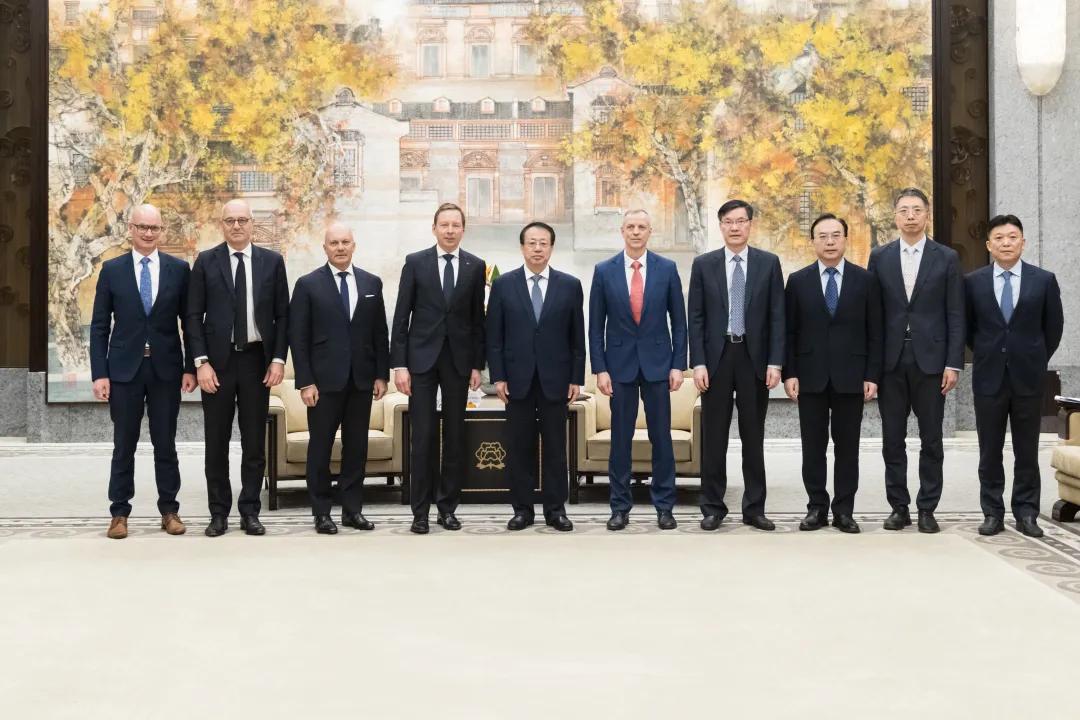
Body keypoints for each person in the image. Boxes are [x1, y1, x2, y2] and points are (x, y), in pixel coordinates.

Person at [89, 203, 197, 539]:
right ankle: (119, 513)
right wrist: (99, 373)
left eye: (154, 228)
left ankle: (170, 511)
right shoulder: (112, 270)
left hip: (166, 371)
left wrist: (190, 367)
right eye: (142, 227)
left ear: (161, 230)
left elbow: (189, 323)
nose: (148, 233)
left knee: (166, 444)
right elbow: (99, 326)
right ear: (131, 229)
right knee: (124, 445)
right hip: (124, 372)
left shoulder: (179, 269)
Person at [186, 199, 289, 537]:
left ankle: (250, 511)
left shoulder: (272, 262)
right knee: (215, 443)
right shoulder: (206, 261)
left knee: (254, 443)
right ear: (222, 224)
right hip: (217, 365)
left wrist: (278, 359)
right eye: (230, 220)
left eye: (242, 220)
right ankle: (218, 513)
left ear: (251, 223)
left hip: (256, 362)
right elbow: (192, 317)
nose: (237, 226)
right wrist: (200, 362)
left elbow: (283, 315)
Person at [867, 188, 964, 533]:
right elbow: (873, 315)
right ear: (895, 216)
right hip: (891, 361)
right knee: (892, 440)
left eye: (917, 210)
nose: (910, 216)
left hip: (932, 362)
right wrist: (871, 369)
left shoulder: (946, 257)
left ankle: (927, 508)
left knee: (931, 439)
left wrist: (953, 363)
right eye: (904, 210)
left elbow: (956, 313)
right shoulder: (880, 257)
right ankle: (899, 507)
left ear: (927, 215)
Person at [687, 199, 785, 532]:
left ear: (750, 225)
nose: (735, 227)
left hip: (753, 359)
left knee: (753, 437)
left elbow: (777, 316)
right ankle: (712, 508)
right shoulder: (704, 265)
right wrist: (698, 362)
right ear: (720, 226)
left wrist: (775, 362)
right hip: (716, 359)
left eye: (741, 221)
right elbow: (695, 317)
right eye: (728, 221)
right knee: (714, 437)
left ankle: (754, 508)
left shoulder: (768, 264)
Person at [782, 214, 882, 534]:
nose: (829, 242)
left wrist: (872, 375)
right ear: (812, 241)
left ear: (845, 239)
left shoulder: (865, 280)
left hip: (851, 376)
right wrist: (789, 373)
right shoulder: (798, 281)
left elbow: (875, 332)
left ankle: (844, 510)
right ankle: (816, 507)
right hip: (809, 376)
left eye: (835, 235)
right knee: (813, 447)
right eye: (822, 236)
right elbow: (789, 332)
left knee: (847, 448)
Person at [965, 214, 1063, 537]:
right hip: (989, 377)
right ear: (988, 245)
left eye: (1012, 237)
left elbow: (1053, 328)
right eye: (999, 238)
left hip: (1028, 378)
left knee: (1027, 450)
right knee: (989, 451)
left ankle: (1026, 513)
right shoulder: (973, 282)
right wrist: (989, 353)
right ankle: (992, 512)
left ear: (1023, 242)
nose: (1006, 243)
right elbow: (968, 329)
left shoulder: (1043, 280)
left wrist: (1034, 357)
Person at [588, 209, 687, 531]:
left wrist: (678, 365)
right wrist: (600, 369)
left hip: (658, 365)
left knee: (662, 439)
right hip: (619, 367)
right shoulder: (604, 271)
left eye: (641, 227)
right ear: (622, 231)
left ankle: (664, 507)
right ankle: (619, 507)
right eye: (630, 226)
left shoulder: (667, 268)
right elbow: (595, 327)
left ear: (649, 232)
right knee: (620, 440)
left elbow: (680, 323)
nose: (635, 232)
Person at [391, 203, 486, 534]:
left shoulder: (476, 266)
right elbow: (401, 316)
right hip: (421, 361)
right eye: (444, 224)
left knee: (455, 436)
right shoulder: (415, 262)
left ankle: (447, 508)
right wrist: (399, 364)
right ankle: (420, 512)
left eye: (455, 225)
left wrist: (477, 364)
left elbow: (478, 321)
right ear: (434, 228)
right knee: (423, 436)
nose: (449, 230)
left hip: (458, 362)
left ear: (463, 229)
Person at [289, 222, 389, 534]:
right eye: (334, 243)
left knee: (356, 449)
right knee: (320, 448)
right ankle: (321, 513)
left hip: (361, 381)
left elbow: (379, 333)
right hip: (323, 384)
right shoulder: (308, 285)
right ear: (325, 248)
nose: (340, 247)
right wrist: (305, 382)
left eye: (345, 242)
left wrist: (381, 375)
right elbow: (298, 338)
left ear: (354, 245)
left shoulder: (371, 283)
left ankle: (352, 510)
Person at [486, 221, 585, 532]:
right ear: (522, 247)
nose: (538, 248)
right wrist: (499, 377)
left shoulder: (570, 285)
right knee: (520, 448)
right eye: (532, 243)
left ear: (551, 248)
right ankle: (522, 509)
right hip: (517, 381)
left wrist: (576, 378)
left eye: (543, 243)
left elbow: (577, 338)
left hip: (557, 380)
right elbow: (494, 337)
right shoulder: (504, 285)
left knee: (556, 449)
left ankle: (556, 510)